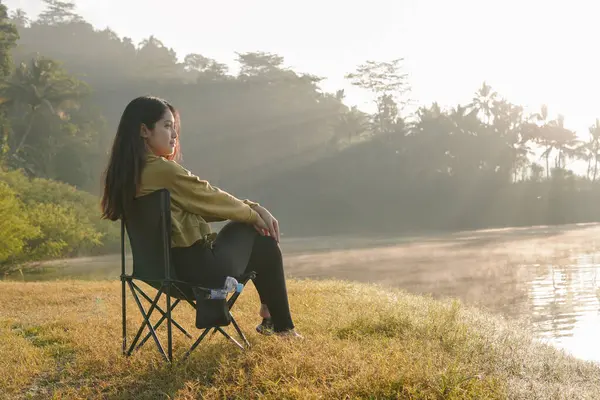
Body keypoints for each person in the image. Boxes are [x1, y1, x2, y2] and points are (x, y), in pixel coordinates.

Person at [101, 96, 301, 338]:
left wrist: (250, 209)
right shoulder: (161, 170)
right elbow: (208, 196)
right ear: (144, 131)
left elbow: (203, 205)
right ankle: (282, 326)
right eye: (166, 126)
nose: (174, 134)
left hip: (164, 272)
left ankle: (272, 315)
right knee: (256, 231)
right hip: (200, 273)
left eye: (174, 126)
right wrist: (254, 211)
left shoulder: (129, 176)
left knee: (260, 243)